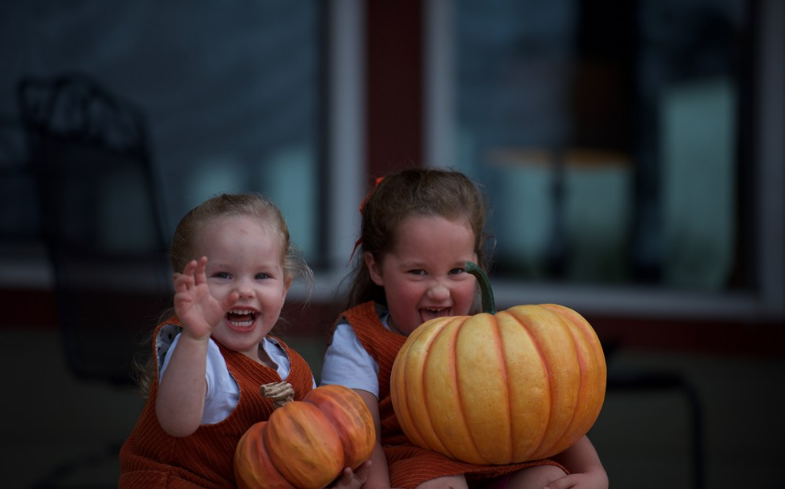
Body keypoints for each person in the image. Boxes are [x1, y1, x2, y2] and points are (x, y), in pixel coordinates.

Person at [321, 168, 608, 489]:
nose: (440, 290)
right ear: (376, 268)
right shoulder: (358, 338)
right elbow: (362, 432)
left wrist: (593, 472)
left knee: (548, 479)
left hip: (500, 460)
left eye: (457, 270)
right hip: (414, 466)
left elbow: (549, 410)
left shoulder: (497, 339)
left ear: (478, 262)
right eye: (418, 272)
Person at [119, 192, 369, 489]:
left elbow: (308, 452)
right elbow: (176, 422)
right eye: (223, 275)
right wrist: (196, 335)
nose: (244, 290)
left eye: (262, 276)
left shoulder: (291, 368)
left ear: (285, 288)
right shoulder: (198, 351)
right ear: (187, 287)